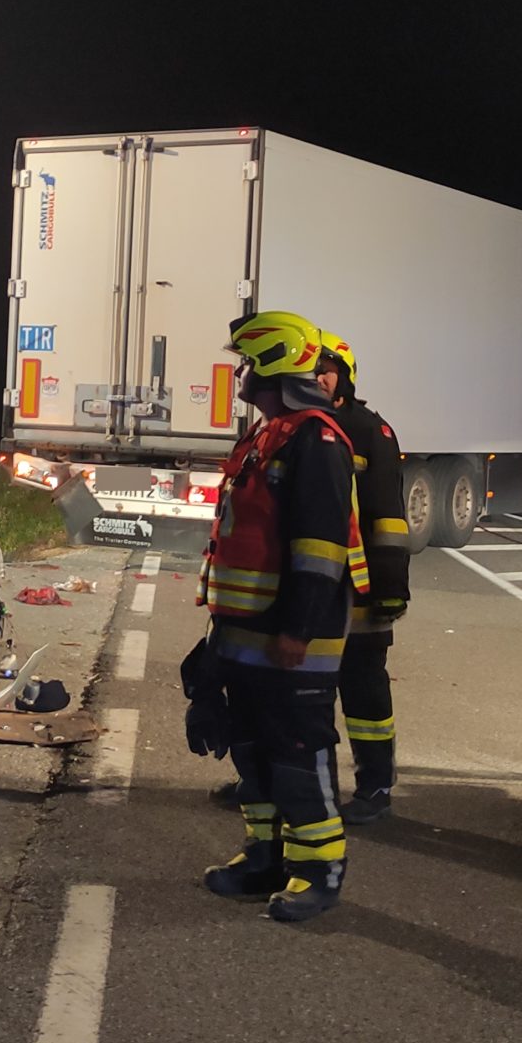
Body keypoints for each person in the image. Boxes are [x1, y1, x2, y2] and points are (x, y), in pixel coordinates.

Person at [181, 310, 367, 923]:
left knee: (296, 755)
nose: (239, 374)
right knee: (252, 751)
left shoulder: (316, 441)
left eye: (247, 362)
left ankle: (318, 871)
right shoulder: (268, 435)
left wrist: (297, 631)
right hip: (244, 633)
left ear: (274, 365)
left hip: (291, 640)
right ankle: (264, 858)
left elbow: (320, 549)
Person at [314, 332, 410, 821]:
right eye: (312, 370)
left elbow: (387, 515)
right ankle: (310, 788)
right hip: (312, 588)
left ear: (345, 377)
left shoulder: (370, 431)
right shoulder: (300, 426)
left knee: (364, 691)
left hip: (360, 589)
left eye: (327, 370)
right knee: (305, 697)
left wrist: (389, 588)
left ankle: (375, 787)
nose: (318, 378)